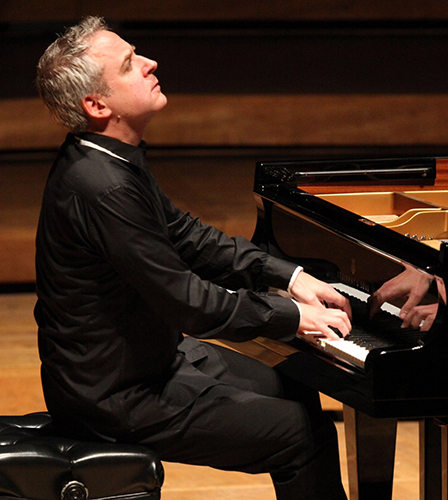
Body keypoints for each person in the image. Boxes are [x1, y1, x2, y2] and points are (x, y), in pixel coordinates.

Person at [34, 16, 352, 500]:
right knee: (299, 434)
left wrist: (289, 277)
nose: (150, 63)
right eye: (130, 64)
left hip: (151, 360)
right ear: (97, 105)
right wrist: (290, 316)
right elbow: (188, 303)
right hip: (115, 395)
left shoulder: (108, 157)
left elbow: (187, 236)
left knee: (293, 383)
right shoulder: (103, 186)